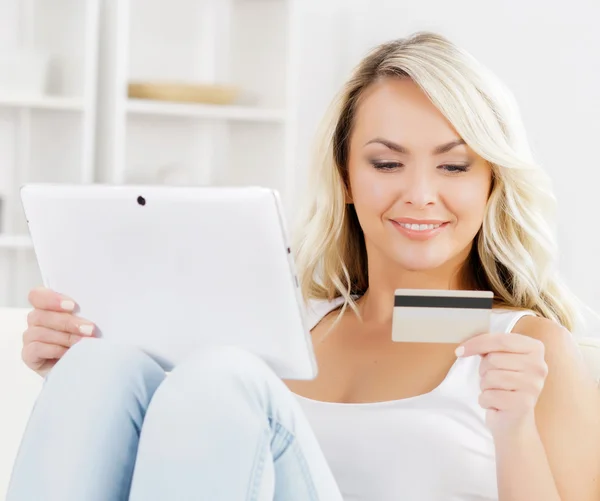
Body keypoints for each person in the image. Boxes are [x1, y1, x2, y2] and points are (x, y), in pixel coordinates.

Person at [7, 31, 600, 501]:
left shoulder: (527, 348)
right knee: (100, 366)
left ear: (493, 181)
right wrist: (73, 360)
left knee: (224, 376)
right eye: (387, 164)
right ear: (345, 177)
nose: (420, 193)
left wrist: (514, 427)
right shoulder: (291, 322)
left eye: (453, 166)